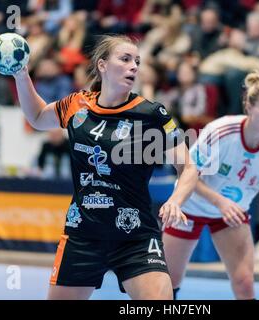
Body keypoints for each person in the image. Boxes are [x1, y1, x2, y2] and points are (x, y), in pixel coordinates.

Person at [12, 34, 198, 300]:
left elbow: (189, 168)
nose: (134, 66)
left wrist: (176, 200)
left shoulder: (151, 114)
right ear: (102, 65)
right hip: (83, 235)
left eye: (137, 61)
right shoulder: (77, 106)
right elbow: (38, 117)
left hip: (135, 236)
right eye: (125, 59)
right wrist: (22, 75)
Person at [163, 69, 259, 300]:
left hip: (230, 214)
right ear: (249, 107)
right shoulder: (220, 131)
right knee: (169, 283)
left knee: (245, 282)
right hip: (190, 208)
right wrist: (220, 202)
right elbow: (186, 174)